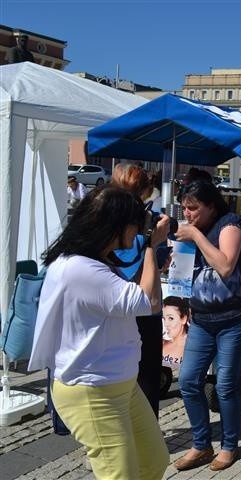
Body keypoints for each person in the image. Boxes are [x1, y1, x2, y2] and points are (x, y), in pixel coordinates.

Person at [28, 186, 171, 479]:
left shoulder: (93, 262)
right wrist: (150, 247)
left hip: (120, 384)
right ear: (113, 226)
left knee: (154, 460)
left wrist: (151, 259)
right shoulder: (79, 268)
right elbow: (150, 303)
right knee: (121, 474)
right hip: (92, 391)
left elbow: (125, 297)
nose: (138, 229)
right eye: (136, 223)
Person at [173, 180, 241, 472]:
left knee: (224, 385)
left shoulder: (230, 224)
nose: (188, 213)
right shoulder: (191, 231)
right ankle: (201, 444)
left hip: (233, 319)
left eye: (194, 208)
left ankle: (229, 446)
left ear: (211, 206)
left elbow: (225, 266)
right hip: (201, 319)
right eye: (184, 207)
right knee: (188, 381)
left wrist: (195, 234)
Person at [111, 162, 164, 418]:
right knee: (146, 380)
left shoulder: (103, 216)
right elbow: (152, 297)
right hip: (142, 309)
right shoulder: (142, 222)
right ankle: (147, 437)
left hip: (112, 310)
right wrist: (153, 243)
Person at [162, 296, 191, 367]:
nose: (166, 324)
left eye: (171, 318)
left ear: (184, 319)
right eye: (164, 318)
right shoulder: (162, 344)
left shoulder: (193, 347)